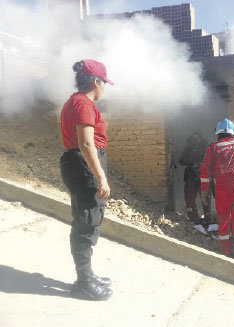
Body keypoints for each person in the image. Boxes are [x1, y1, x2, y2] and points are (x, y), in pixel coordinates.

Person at [60, 59, 114, 301]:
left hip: (79, 165)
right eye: (104, 83)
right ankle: (83, 282)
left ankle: (87, 274)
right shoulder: (82, 104)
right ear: (96, 81)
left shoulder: (75, 102)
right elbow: (85, 143)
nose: (104, 88)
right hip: (84, 166)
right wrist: (100, 176)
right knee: (87, 220)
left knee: (86, 217)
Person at [200, 118, 234, 263]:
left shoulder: (213, 148)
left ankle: (226, 254)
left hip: (222, 190)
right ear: (233, 132)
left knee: (224, 220)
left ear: (218, 132)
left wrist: (205, 192)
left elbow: (205, 173)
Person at [178, 132, 209, 224]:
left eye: (197, 138)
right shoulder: (188, 149)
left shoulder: (206, 149)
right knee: (189, 198)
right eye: (194, 139)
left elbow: (212, 161)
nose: (196, 141)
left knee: (205, 198)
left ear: (201, 139)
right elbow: (181, 160)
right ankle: (193, 219)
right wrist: (191, 162)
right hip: (191, 175)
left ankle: (207, 219)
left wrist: (202, 163)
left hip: (204, 175)